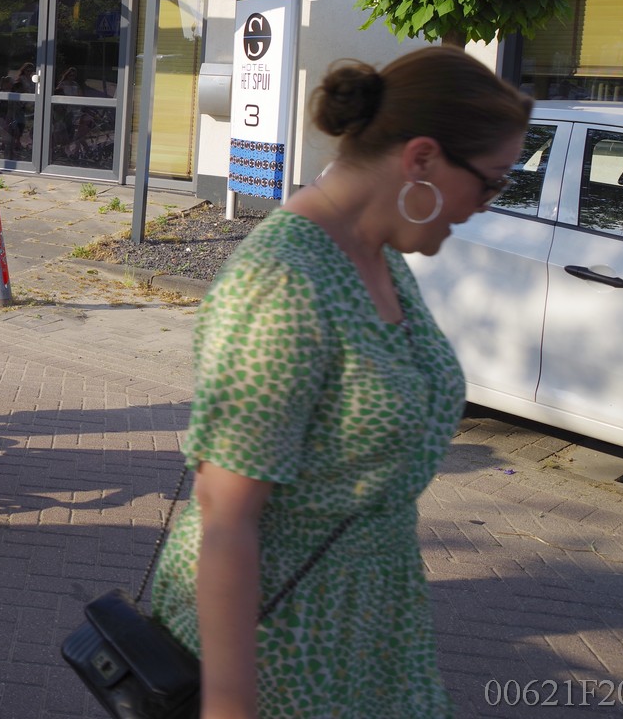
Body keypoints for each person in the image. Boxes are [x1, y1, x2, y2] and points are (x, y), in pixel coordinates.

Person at [150, 47, 532, 718]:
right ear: (421, 159)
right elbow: (225, 514)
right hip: (281, 644)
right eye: (491, 183)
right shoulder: (283, 281)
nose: (485, 206)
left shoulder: (378, 253)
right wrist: (230, 703)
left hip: (370, 626)